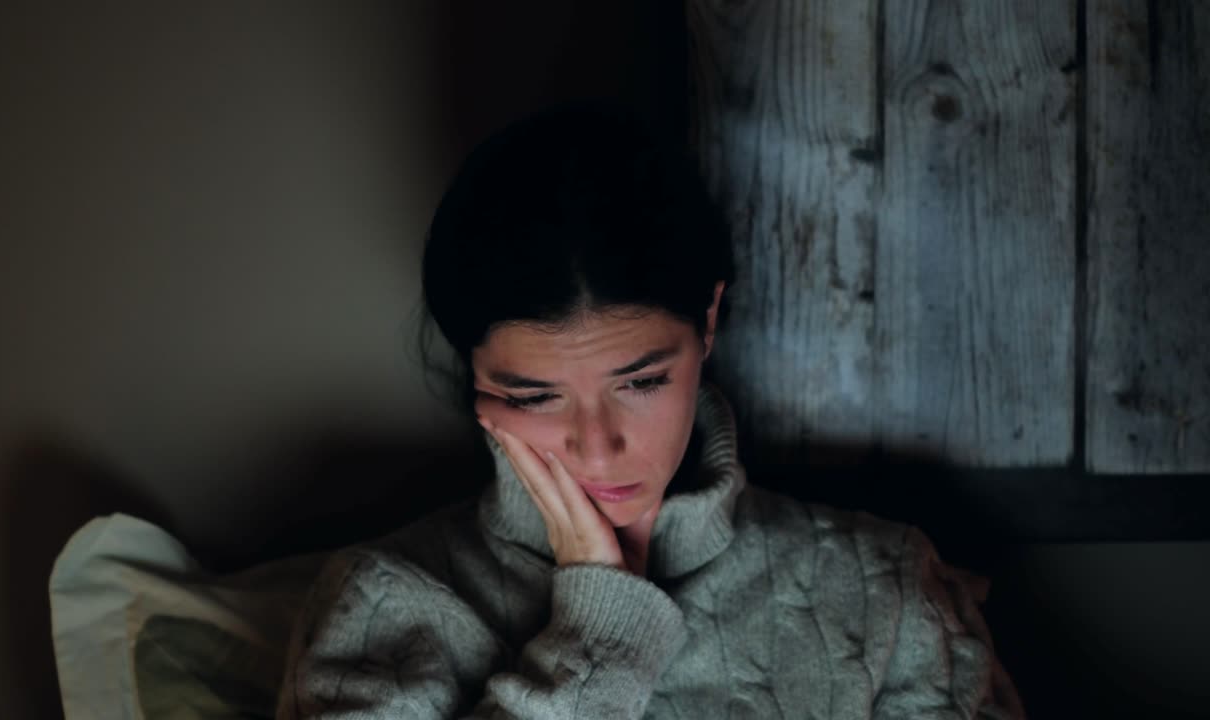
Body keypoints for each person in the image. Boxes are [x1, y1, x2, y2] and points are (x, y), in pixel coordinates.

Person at [276, 102, 1024, 719]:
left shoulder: (884, 589)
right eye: (533, 396)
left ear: (708, 321)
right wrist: (598, 635)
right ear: (474, 376)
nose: (597, 448)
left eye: (641, 382)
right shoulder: (385, 602)